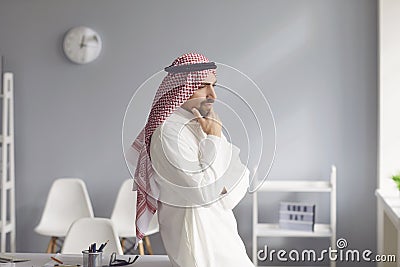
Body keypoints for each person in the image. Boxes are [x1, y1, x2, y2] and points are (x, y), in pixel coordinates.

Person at [129, 53, 254, 267]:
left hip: (224, 235)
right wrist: (214, 139)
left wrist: (219, 189)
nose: (212, 95)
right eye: (202, 86)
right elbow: (204, 193)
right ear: (181, 88)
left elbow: (242, 177)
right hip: (197, 245)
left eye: (214, 85)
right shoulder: (167, 133)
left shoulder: (205, 123)